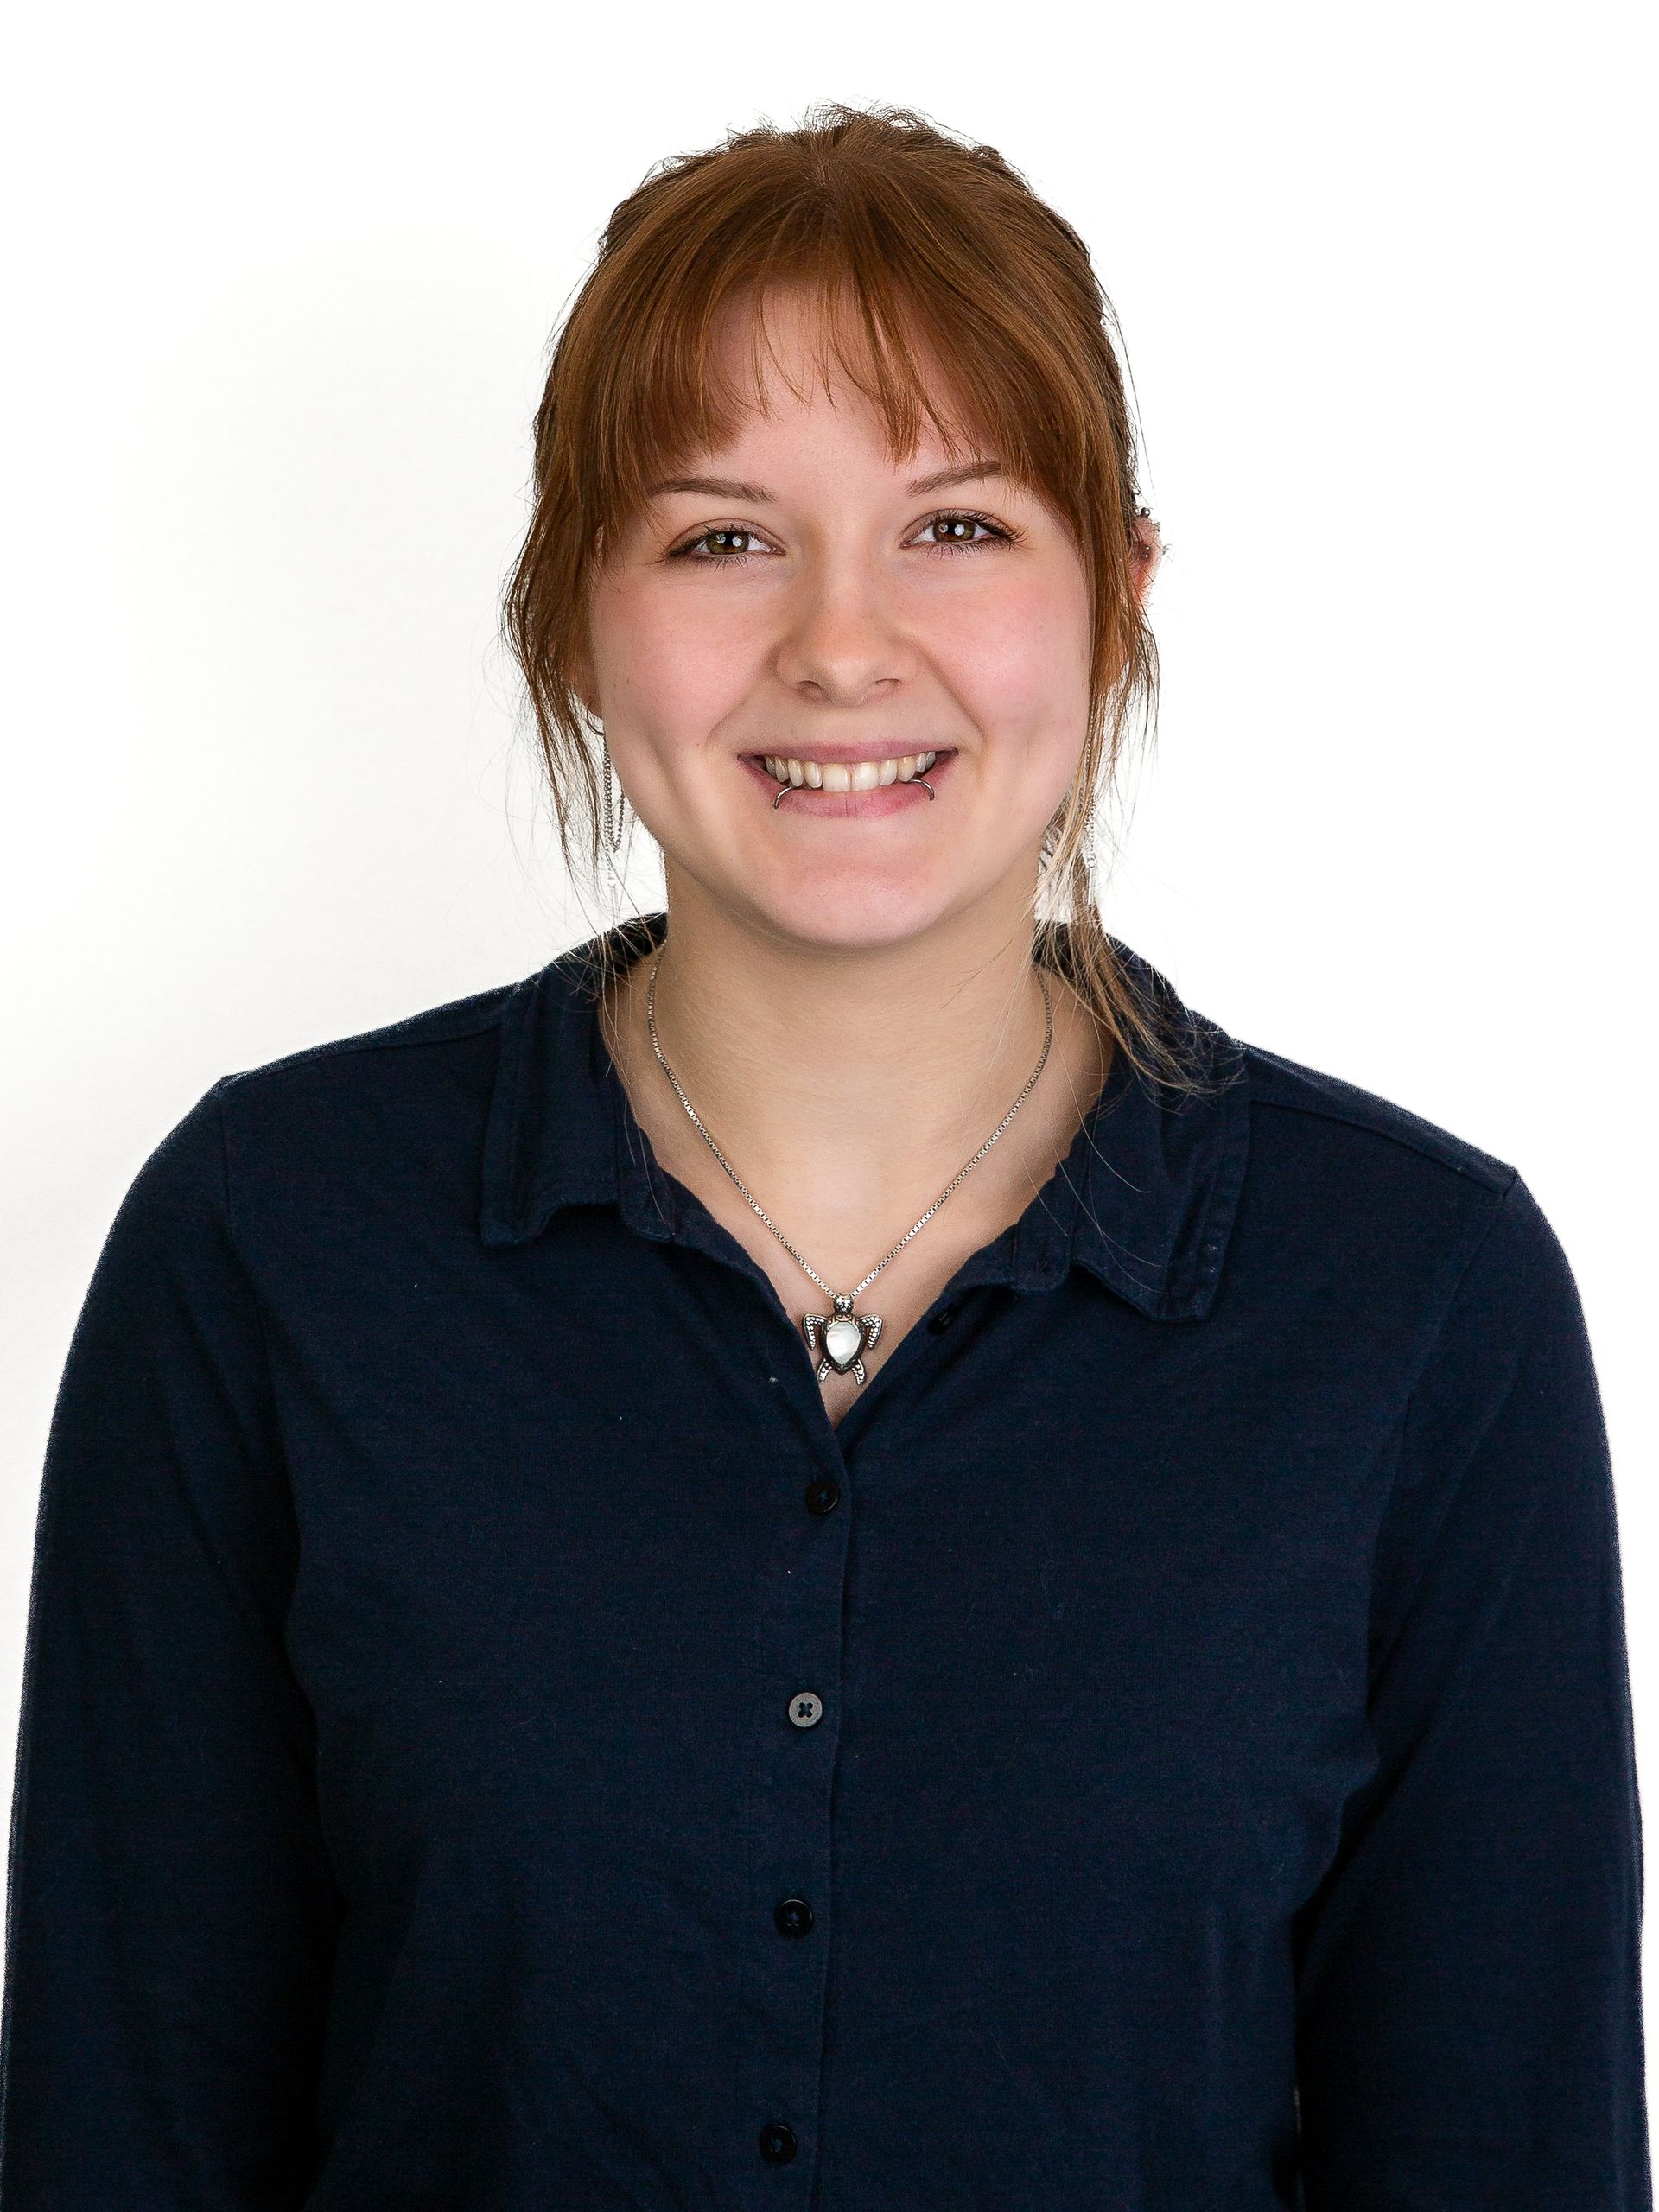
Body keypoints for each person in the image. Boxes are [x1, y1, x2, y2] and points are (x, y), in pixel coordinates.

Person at [0, 99, 1647, 2212]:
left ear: (1117, 597)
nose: (843, 642)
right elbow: (124, 2141)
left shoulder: (1421, 1301)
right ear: (574, 615)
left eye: (959, 527)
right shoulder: (267, 1247)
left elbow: (1510, 2151)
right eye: (720, 535)